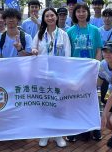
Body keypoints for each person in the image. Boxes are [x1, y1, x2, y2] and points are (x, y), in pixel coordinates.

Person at [31, 8, 71, 148]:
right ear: (44, 18)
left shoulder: (63, 35)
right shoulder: (40, 34)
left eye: (52, 15)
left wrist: (64, 75)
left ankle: (58, 134)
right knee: (44, 105)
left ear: (56, 17)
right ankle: (45, 133)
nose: (50, 18)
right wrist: (34, 50)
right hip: (42, 75)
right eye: (47, 16)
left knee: (58, 104)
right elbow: (33, 48)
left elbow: (67, 56)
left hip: (58, 75)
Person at [67, 2, 103, 142]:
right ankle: (74, 130)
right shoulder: (70, 32)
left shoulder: (95, 30)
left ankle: (95, 129)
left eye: (84, 11)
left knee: (91, 100)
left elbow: (99, 49)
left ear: (88, 13)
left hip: (91, 71)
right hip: (75, 72)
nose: (81, 14)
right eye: (78, 11)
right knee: (75, 100)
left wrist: (96, 65)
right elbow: (68, 53)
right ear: (75, 14)